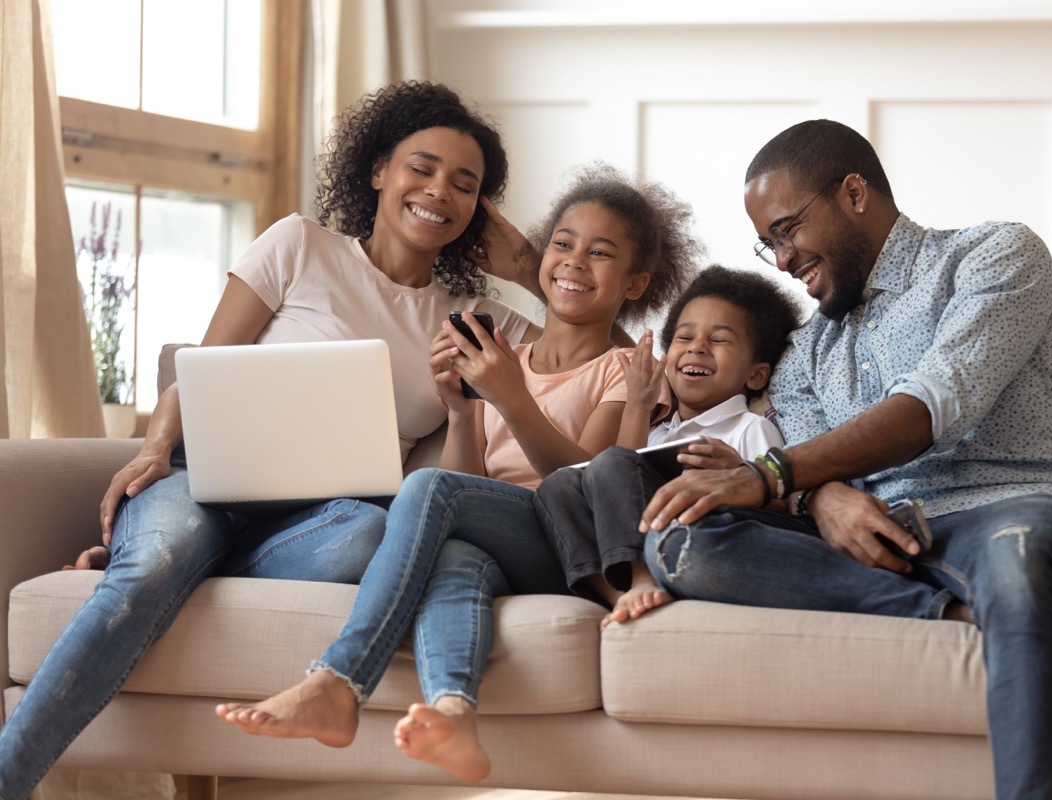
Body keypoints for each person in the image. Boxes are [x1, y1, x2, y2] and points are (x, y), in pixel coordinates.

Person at [0, 80, 538, 800]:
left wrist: (529, 268)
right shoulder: (298, 245)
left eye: (465, 185)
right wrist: (153, 450)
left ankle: (184, 563)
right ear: (378, 170)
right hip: (202, 482)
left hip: (324, 522)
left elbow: (616, 365)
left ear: (478, 210)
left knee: (369, 533)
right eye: (422, 167)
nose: (440, 190)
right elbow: (198, 371)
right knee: (154, 564)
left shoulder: (473, 318)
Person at [636, 119, 1052, 800]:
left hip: (1021, 505)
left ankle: (1016, 602)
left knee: (1015, 559)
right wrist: (826, 499)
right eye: (768, 244)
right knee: (681, 540)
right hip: (886, 537)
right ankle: (974, 609)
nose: (781, 261)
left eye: (787, 231)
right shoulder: (804, 354)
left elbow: (931, 405)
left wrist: (771, 476)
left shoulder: (994, 255)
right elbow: (815, 463)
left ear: (853, 193)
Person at [213, 163, 701, 783]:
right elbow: (471, 478)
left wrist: (512, 399)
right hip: (505, 536)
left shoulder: (622, 370)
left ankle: (338, 680)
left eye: (600, 253)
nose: (575, 262)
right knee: (454, 559)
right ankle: (454, 711)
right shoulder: (507, 356)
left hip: (566, 543)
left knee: (426, 487)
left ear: (635, 284)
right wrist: (462, 411)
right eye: (562, 243)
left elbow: (584, 483)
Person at [534, 264, 800, 628]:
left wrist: (740, 472)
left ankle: (643, 579)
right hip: (643, 532)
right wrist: (638, 405)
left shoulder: (751, 427)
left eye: (719, 340)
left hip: (698, 540)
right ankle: (618, 594)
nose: (697, 348)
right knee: (558, 483)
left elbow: (782, 507)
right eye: (684, 337)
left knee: (613, 462)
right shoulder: (658, 432)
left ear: (756, 375)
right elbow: (615, 480)